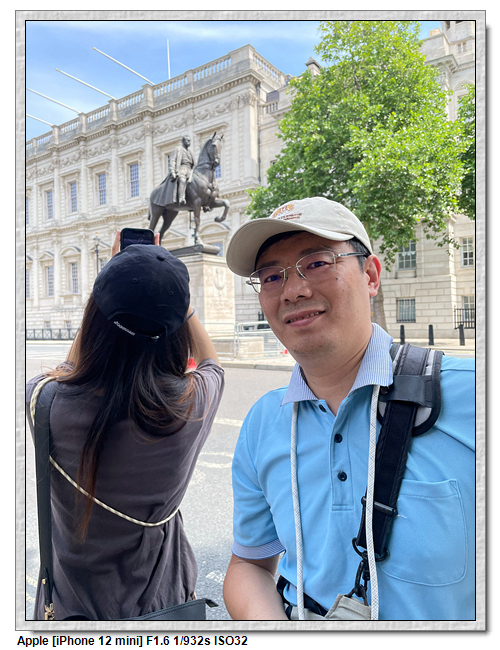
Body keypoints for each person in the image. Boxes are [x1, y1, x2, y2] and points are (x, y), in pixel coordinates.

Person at [222, 197, 475, 621]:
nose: (293, 290)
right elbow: (249, 564)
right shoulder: (263, 422)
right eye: (271, 276)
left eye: (317, 263)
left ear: (371, 275)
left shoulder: (473, 395)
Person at [26, 231, 224, 620]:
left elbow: (70, 368)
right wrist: (170, 291)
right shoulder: (191, 404)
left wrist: (113, 280)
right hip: (163, 607)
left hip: (72, 609)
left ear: (95, 317)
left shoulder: (44, 401)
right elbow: (211, 364)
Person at [170, 135, 195, 205]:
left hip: (190, 170)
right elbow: (172, 160)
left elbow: (194, 163)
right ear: (183, 141)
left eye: (190, 141)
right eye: (187, 140)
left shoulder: (190, 152)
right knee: (182, 180)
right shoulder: (178, 149)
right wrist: (173, 171)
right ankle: (181, 198)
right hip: (182, 169)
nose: (189, 142)